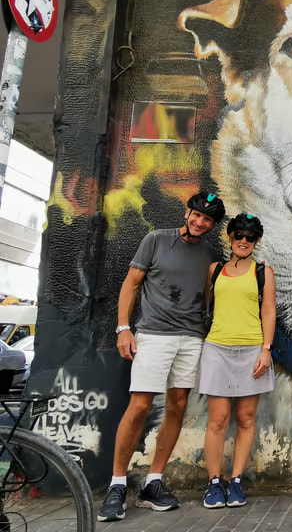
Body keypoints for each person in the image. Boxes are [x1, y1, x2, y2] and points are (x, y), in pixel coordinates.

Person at [98, 192, 225, 522]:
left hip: (192, 337)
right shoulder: (155, 240)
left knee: (177, 406)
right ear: (187, 212)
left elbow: (209, 296)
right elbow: (130, 284)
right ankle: (117, 484)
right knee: (140, 405)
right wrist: (123, 328)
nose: (200, 222)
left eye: (207, 219)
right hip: (153, 335)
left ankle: (153, 481)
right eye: (196, 215)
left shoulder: (211, 254)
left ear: (212, 225)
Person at [200, 214, 276, 509]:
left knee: (245, 418)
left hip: (251, 350)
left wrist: (266, 349)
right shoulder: (215, 270)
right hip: (217, 348)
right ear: (230, 238)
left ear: (256, 241)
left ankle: (235, 481)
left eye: (250, 237)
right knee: (218, 419)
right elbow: (206, 305)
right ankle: (214, 483)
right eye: (238, 235)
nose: (244, 241)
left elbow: (268, 311)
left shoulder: (263, 272)